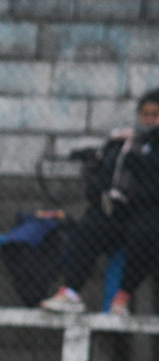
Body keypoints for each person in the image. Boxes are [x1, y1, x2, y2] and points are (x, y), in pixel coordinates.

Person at [41, 89, 159, 316]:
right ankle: (71, 292)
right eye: (145, 114)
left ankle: (122, 298)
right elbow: (103, 176)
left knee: (146, 234)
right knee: (89, 228)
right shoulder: (123, 143)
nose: (149, 120)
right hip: (119, 211)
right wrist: (104, 194)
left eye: (155, 114)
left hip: (149, 211)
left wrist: (141, 160)